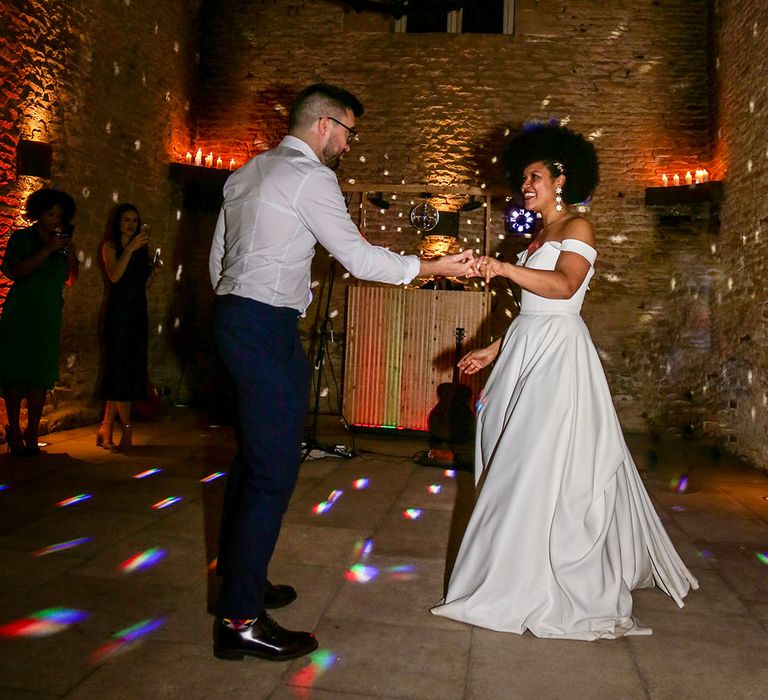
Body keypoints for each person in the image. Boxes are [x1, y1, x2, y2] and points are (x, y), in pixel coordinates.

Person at [208, 83, 474, 662]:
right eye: (350, 132)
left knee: (251, 460)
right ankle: (239, 620)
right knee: (273, 473)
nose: (350, 145)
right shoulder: (310, 177)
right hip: (262, 327)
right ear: (325, 124)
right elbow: (356, 257)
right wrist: (431, 266)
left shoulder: (247, 172)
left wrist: (243, 313)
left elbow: (218, 259)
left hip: (233, 318)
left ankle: (240, 582)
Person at [431, 124, 698, 640]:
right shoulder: (537, 235)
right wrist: (495, 347)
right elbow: (534, 310)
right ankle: (505, 573)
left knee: (537, 466)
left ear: (560, 177)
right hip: (527, 348)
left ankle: (536, 582)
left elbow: (565, 286)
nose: (525, 185)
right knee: (509, 461)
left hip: (558, 359)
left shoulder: (579, 228)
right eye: (523, 177)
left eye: (534, 176)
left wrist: (506, 270)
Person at [0, 188, 78, 456]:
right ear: (38, 214)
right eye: (50, 213)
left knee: (40, 374)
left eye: (59, 215)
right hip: (22, 311)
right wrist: (48, 249)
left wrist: (70, 253)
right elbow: (17, 271)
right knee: (14, 370)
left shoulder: (61, 243)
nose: (54, 219)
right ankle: (14, 430)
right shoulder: (21, 238)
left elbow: (70, 279)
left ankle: (32, 432)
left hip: (48, 314)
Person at [96, 203, 155, 451]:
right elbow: (115, 276)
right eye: (126, 220)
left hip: (137, 313)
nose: (131, 225)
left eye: (134, 220)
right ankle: (127, 429)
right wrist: (129, 250)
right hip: (118, 314)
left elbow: (142, 286)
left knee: (125, 371)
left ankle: (105, 426)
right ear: (117, 223)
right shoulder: (110, 246)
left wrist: (153, 270)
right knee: (119, 368)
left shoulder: (140, 250)